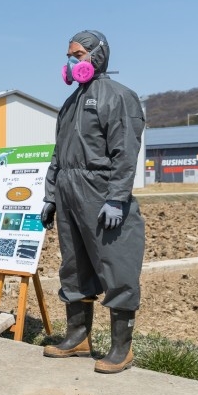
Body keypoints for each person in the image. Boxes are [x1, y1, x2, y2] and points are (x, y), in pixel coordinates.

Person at [41, 30, 146, 374]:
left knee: (117, 265)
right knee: (74, 267)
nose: (71, 62)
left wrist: (116, 198)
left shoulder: (118, 97)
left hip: (101, 193)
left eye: (78, 54)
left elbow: (125, 153)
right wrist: (51, 196)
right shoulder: (70, 103)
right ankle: (78, 337)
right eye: (69, 55)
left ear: (98, 56)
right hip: (69, 193)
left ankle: (121, 348)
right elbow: (59, 154)